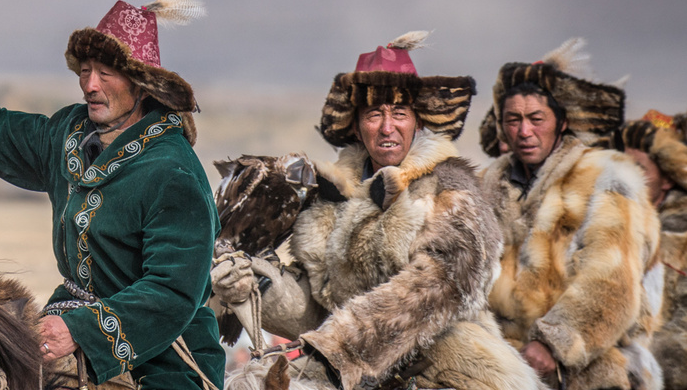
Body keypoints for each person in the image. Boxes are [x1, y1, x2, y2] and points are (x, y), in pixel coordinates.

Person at [0, 0, 222, 390]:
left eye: (106, 74)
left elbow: (172, 292)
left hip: (166, 353)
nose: (89, 85)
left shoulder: (173, 172)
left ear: (141, 84)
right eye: (85, 71)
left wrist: (82, 331)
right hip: (63, 320)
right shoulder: (69, 132)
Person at [210, 33, 537, 390]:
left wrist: (339, 346)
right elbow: (319, 313)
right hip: (354, 373)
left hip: (452, 371)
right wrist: (257, 288)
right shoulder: (331, 200)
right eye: (374, 114)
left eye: (399, 113)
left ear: (419, 122)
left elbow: (440, 287)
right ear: (355, 124)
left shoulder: (450, 187)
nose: (387, 127)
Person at [479, 39, 663, 390]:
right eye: (513, 120)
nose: (524, 132)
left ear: (561, 123)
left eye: (536, 118)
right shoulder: (488, 183)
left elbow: (611, 278)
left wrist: (554, 342)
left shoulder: (607, 176)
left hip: (586, 369)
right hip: (504, 366)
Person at [622, 110, 687, 389]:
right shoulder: (621, 221)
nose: (627, 177)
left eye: (639, 169)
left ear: (667, 178)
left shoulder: (677, 237)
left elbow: (677, 330)